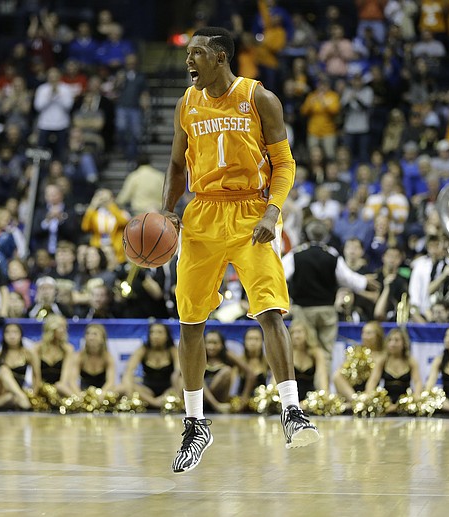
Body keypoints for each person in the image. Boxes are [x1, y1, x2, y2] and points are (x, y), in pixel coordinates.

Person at [161, 27, 318, 473]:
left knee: (269, 310)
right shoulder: (186, 104)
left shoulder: (259, 98)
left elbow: (284, 163)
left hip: (251, 212)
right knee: (190, 321)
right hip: (203, 215)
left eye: (196, 54)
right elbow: (176, 164)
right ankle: (196, 424)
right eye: (187, 53)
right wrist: (168, 210)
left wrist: (273, 212)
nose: (188, 61)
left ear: (220, 57)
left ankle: (291, 409)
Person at [282, 218, 372, 362]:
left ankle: (306, 384)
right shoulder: (332, 255)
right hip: (327, 310)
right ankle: (323, 384)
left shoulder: (296, 255)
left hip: (303, 310)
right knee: (325, 353)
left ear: (307, 235)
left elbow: (280, 274)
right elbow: (348, 279)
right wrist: (364, 281)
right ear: (325, 236)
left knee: (304, 350)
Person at [0, 323, 39, 410]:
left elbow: (37, 377)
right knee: (3, 370)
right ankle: (22, 398)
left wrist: (33, 396)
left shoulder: (28, 354)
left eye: (15, 332)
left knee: (11, 398)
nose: (12, 336)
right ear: (3, 335)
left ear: (21, 335)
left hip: (13, 393)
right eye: (8, 332)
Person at [120, 322, 180, 408]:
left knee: (182, 382)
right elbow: (129, 370)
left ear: (167, 336)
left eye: (160, 332)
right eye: (152, 332)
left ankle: (159, 402)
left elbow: (178, 372)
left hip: (169, 389)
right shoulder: (143, 349)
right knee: (127, 381)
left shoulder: (173, 350)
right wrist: (129, 387)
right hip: (147, 391)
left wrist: (174, 390)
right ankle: (154, 403)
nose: (155, 336)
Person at [363, 328, 423, 412]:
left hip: (405, 402)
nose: (392, 343)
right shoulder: (383, 360)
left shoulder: (410, 361)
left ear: (404, 343)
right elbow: (373, 380)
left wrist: (417, 395)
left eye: (396, 340)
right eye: (390, 340)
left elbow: (417, 382)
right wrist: (369, 394)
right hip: (386, 402)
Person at [201, 330, 255, 413]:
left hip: (220, 398)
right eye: (208, 343)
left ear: (222, 345)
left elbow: (250, 373)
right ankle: (213, 405)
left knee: (227, 371)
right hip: (202, 395)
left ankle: (213, 404)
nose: (211, 347)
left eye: (215, 343)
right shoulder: (200, 356)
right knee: (194, 378)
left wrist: (244, 398)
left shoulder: (227, 355)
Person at [74, 323, 117, 392]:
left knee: (122, 389)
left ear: (102, 339)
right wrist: (79, 396)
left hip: (103, 393)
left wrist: (102, 394)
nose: (90, 337)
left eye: (95, 334)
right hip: (84, 393)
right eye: (88, 334)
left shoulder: (108, 357)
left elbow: (110, 382)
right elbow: (72, 381)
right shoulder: (79, 356)